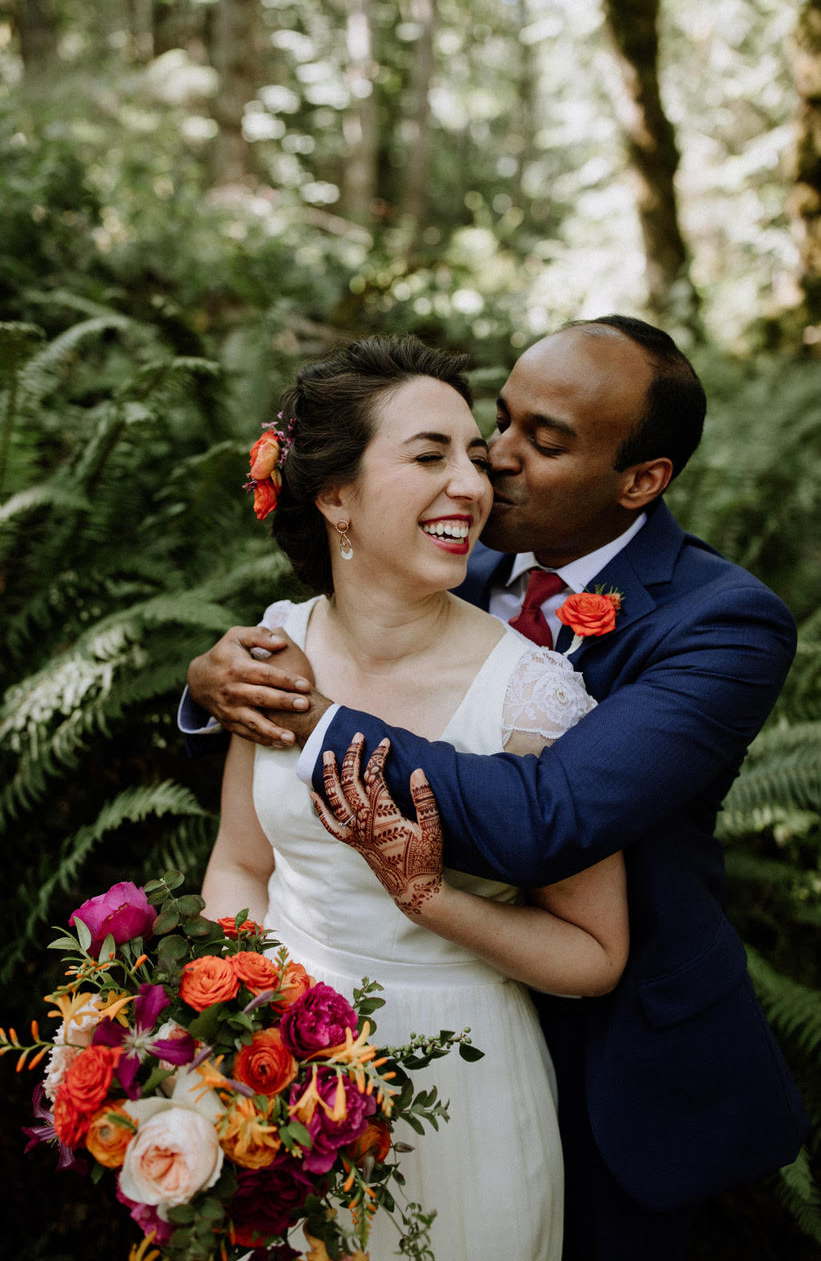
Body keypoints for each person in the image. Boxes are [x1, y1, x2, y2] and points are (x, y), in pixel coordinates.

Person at [182, 316, 810, 1261]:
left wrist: (317, 720)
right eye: (495, 427)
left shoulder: (722, 623)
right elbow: (255, 820)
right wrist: (214, 687)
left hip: (611, 1054)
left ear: (641, 480)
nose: (494, 465)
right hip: (325, 1043)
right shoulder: (439, 558)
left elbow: (548, 816)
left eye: (541, 441)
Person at [199, 334, 631, 1261]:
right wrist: (237, 1025)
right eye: (429, 455)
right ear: (335, 495)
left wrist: (429, 900)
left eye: (472, 458)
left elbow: (594, 953)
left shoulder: (535, 696)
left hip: (462, 1084)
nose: (472, 485)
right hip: (278, 1081)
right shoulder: (271, 653)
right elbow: (240, 863)